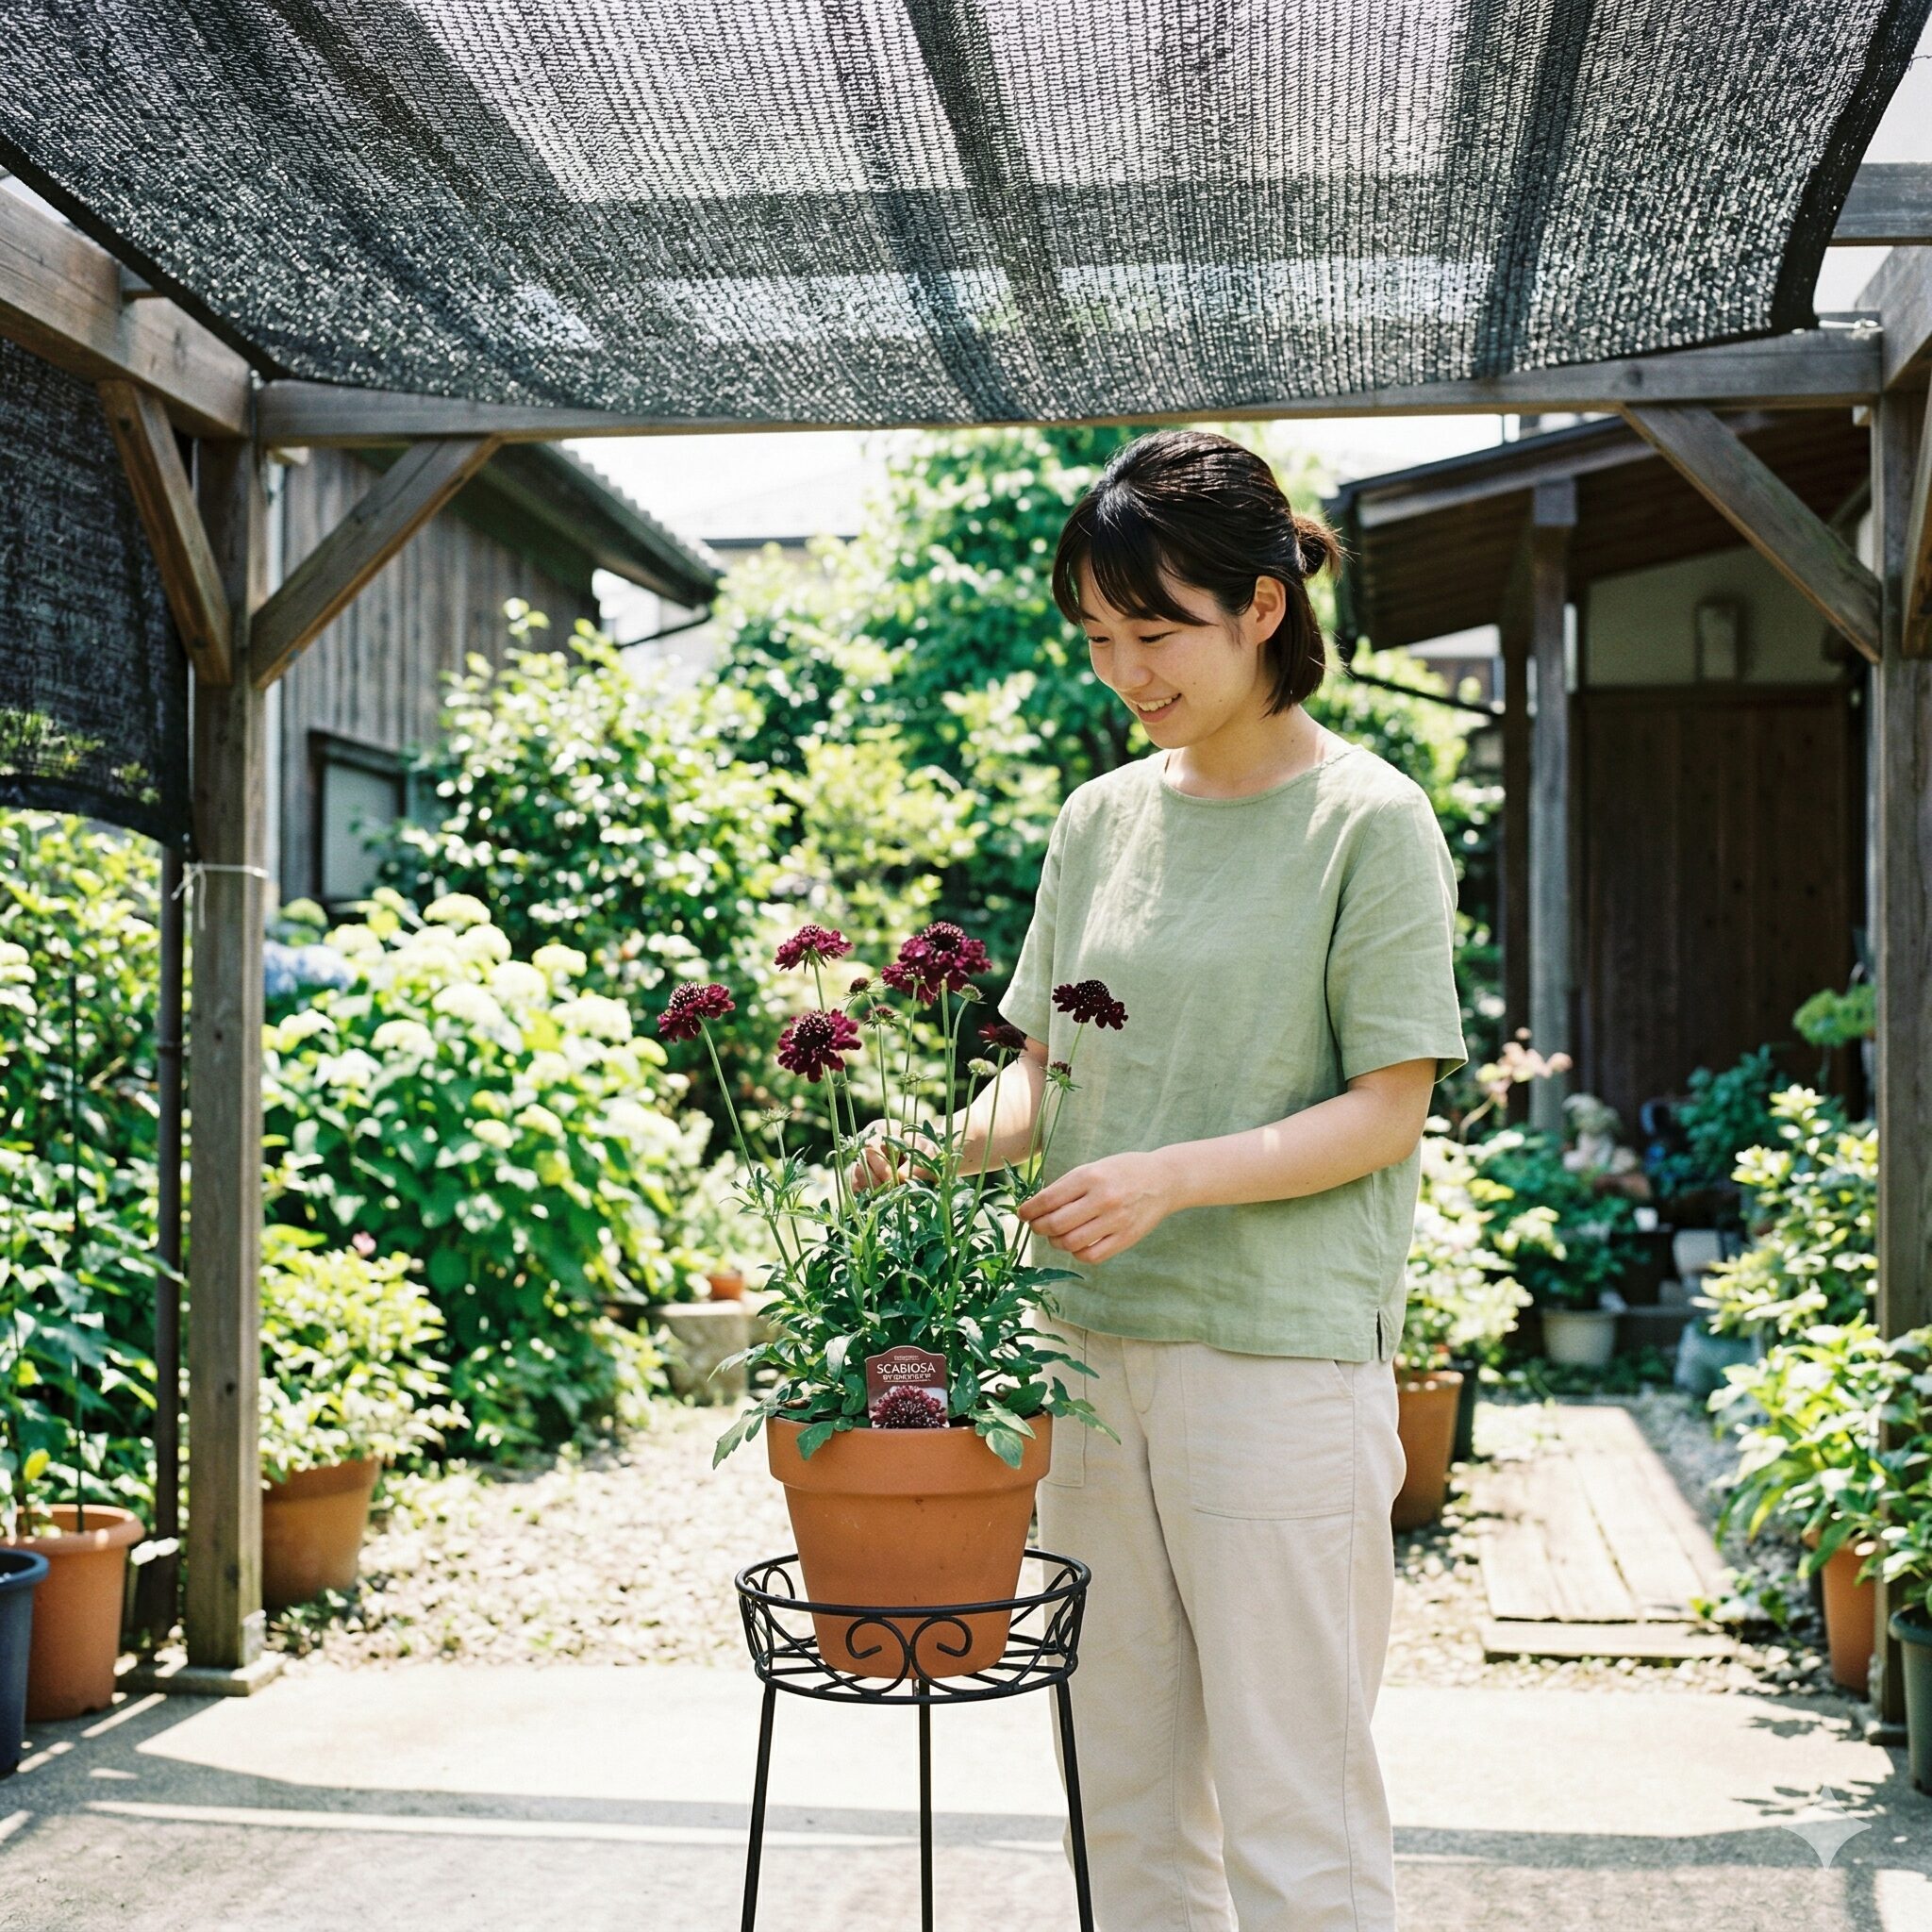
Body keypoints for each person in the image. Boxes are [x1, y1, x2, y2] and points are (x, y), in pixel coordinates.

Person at [854, 427, 1467, 1929]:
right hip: (1084, 1356)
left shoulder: (1369, 821)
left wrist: (1171, 1180)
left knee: (1296, 1809)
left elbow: (1387, 1112)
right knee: (1120, 1792)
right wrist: (935, 1143)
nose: (1125, 672)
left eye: (1157, 632)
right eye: (1098, 639)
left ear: (1263, 605)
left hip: (1275, 1364)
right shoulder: (1102, 820)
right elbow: (1045, 1078)